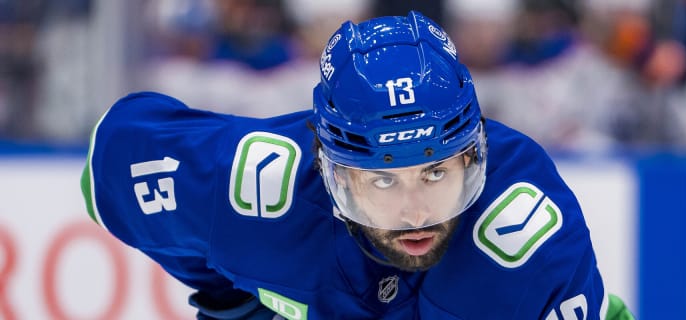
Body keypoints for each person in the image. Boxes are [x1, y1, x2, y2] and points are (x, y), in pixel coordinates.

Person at [80, 11, 634, 319]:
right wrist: (233, 298)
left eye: (436, 173)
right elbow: (111, 162)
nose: (415, 211)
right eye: (382, 180)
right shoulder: (258, 192)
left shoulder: (526, 244)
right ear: (328, 168)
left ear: (474, 156)